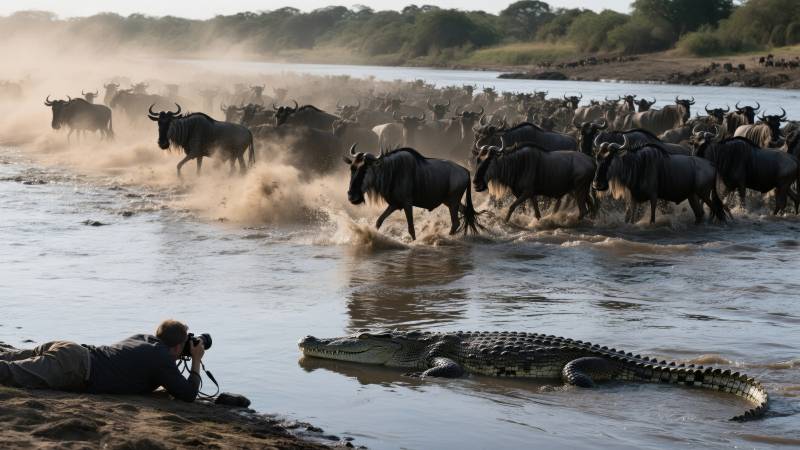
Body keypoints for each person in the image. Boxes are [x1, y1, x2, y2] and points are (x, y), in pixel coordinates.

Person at [0, 319, 204, 402]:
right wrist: (196, 360)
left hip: (71, 350)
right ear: (177, 347)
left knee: (7, 359)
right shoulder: (160, 358)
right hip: (74, 367)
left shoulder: (144, 339)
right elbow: (188, 395)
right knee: (8, 373)